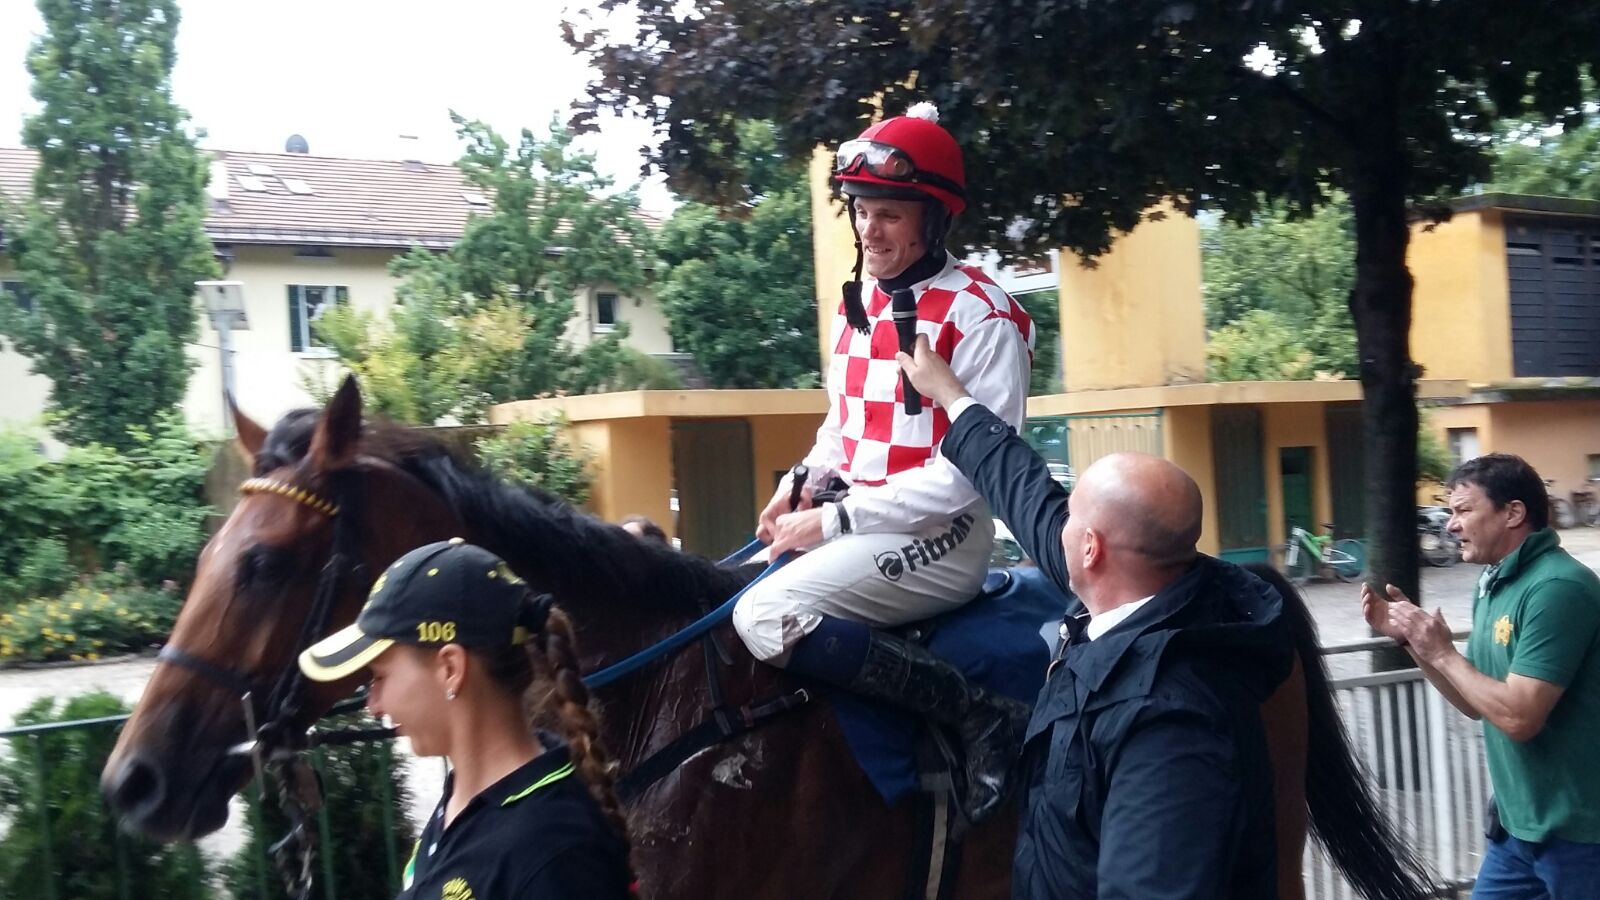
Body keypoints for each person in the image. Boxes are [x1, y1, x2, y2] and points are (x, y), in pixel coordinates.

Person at [897, 339, 1293, 898]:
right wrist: (952, 397)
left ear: (1090, 550)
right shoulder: (1141, 594)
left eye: (1072, 516)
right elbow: (1030, 496)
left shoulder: (1170, 724)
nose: (1053, 525)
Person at [730, 101, 1036, 823]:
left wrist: (834, 521)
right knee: (715, 599)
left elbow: (968, 475)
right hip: (862, 522)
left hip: (946, 537)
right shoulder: (857, 303)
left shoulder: (983, 315)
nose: (871, 228)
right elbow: (846, 427)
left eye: (891, 214)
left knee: (765, 614)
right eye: (862, 210)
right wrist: (799, 485)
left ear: (934, 219)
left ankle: (981, 714)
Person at [297, 539, 634, 900]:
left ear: (450, 668)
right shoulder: (466, 801)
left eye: (379, 677)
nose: (373, 704)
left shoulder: (556, 857)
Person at [1363, 453, 1600, 897]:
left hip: (1582, 836)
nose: (1451, 525)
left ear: (1513, 513)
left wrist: (1444, 651)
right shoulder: (1494, 582)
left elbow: (1519, 718)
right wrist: (1417, 644)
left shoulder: (1558, 588)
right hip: (1517, 830)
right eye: (1450, 511)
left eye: (1463, 510)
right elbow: (1477, 704)